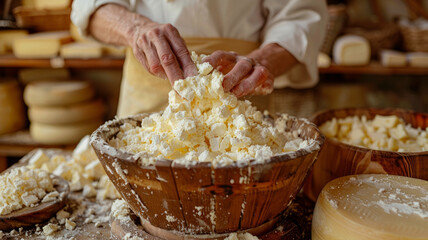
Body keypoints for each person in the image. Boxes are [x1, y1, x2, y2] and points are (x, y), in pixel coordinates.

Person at [71, 0, 327, 117]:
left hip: (236, 96)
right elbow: (87, 7)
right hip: (145, 93)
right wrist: (134, 28)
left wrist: (264, 61)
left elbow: (299, 15)